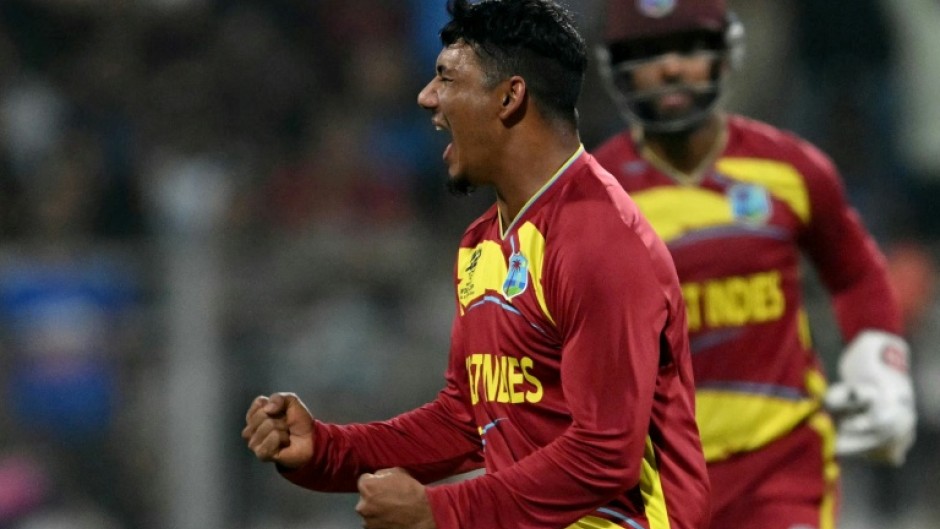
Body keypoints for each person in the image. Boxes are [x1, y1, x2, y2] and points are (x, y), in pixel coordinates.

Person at [243, 1, 710, 528]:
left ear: (510, 98)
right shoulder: (482, 242)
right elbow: (468, 420)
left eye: (446, 78)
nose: (427, 98)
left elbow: (606, 455)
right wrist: (327, 450)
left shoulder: (600, 241)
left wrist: (439, 512)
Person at [591, 1, 917, 528]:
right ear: (613, 68)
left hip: (782, 467)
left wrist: (880, 360)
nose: (670, 68)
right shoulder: (588, 198)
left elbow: (855, 271)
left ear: (727, 54)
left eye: (690, 48)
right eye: (646, 53)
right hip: (652, 484)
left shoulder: (790, 169)